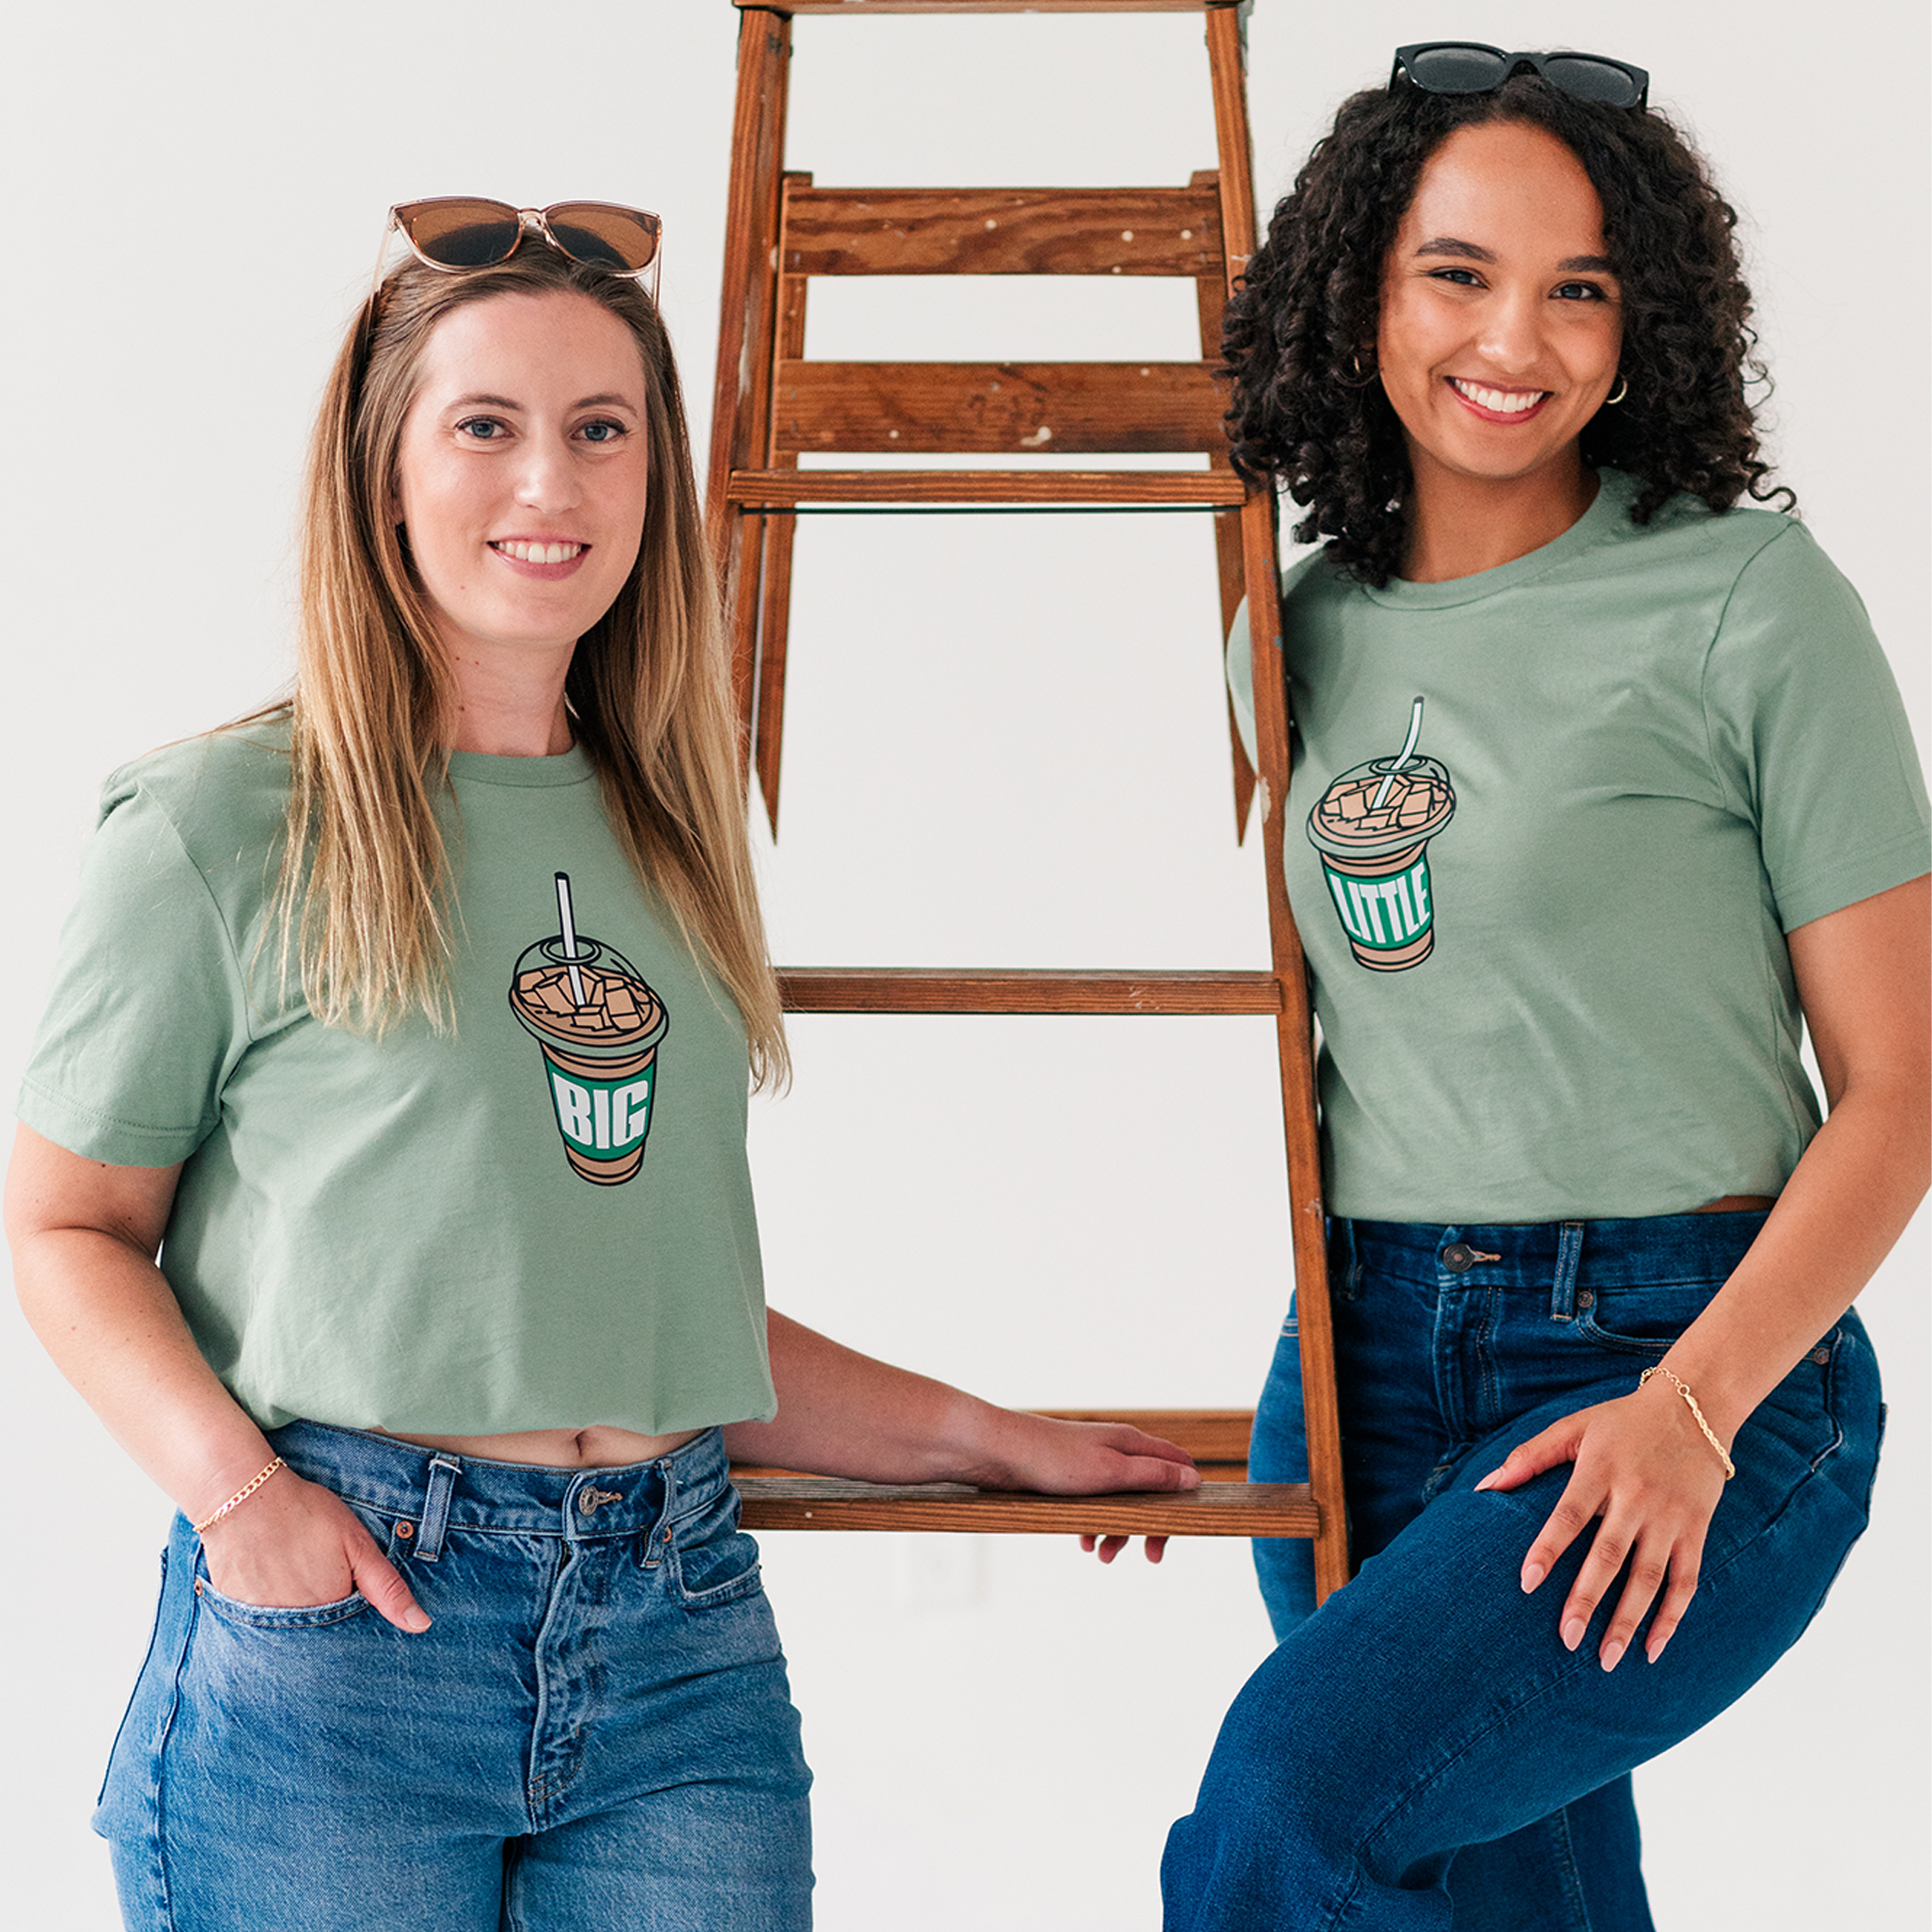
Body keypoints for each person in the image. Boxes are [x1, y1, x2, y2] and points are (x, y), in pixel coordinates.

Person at [2, 200, 1196, 1932]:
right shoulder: (219, 826)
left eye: (600, 431)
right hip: (348, 1642)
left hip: (678, 1637)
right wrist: (242, 1502)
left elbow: (654, 1311)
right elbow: (65, 1231)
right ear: (383, 467)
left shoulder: (666, 837)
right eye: (485, 426)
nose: (548, 486)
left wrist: (986, 1436)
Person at [1159, 45, 1932, 1931]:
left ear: (1638, 318)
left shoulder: (1747, 598)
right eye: (1457, 272)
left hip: (1687, 1352)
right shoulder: (1296, 625)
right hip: (1352, 1361)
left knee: (1288, 1811)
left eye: (1578, 286)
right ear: (1358, 289)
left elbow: (1905, 1084)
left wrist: (1688, 1410)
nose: (1518, 336)